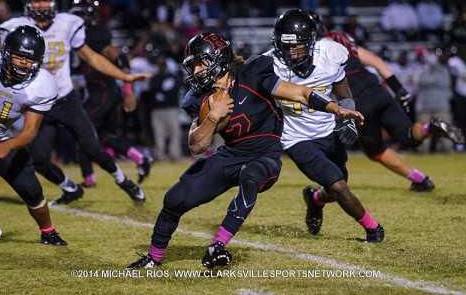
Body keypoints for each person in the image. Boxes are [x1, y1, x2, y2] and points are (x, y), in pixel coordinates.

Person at [126, 32, 364, 269]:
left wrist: (336, 108)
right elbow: (197, 145)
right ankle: (153, 258)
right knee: (175, 198)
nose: (197, 71)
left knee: (251, 176)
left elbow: (300, 93)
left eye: (201, 63)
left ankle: (217, 245)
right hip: (231, 154)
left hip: (265, 156)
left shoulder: (252, 72)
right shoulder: (198, 98)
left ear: (219, 59)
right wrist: (212, 118)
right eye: (193, 66)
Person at [0, 0, 151, 206]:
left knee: (92, 147)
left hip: (66, 99)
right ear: (27, 3)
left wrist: (125, 77)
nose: (42, 5)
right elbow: (4, 63)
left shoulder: (67, 23)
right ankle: (70, 188)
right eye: (37, 0)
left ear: (54, 2)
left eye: (46, 0)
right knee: (39, 159)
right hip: (37, 104)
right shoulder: (14, 27)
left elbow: (91, 57)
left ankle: (124, 180)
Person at [307, 11, 464, 192]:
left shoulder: (313, 52)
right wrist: (398, 89)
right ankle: (430, 131)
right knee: (409, 135)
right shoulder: (339, 39)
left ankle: (420, 178)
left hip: (356, 102)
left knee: (376, 150)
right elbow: (376, 61)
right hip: (379, 91)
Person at [263, 9, 384, 241]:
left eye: (296, 45)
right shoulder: (269, 64)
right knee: (338, 186)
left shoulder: (329, 53)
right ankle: (373, 228)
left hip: (328, 131)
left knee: (338, 184)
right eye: (285, 45)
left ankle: (315, 199)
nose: (290, 51)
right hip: (296, 138)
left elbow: (343, 90)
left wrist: (347, 119)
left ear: (310, 42)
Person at [0, 25, 66, 245]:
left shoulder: (42, 84)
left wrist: (9, 144)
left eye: (30, 59)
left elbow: (30, 132)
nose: (24, 62)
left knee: (31, 189)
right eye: (20, 56)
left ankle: (48, 232)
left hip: (1, 137)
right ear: (6, 52)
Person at [69, 0, 152, 187]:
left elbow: (121, 58)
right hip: (96, 91)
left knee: (80, 128)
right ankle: (140, 158)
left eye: (82, 14)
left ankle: (89, 178)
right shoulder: (77, 35)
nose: (78, 19)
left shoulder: (96, 35)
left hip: (103, 91)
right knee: (103, 135)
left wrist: (128, 91)